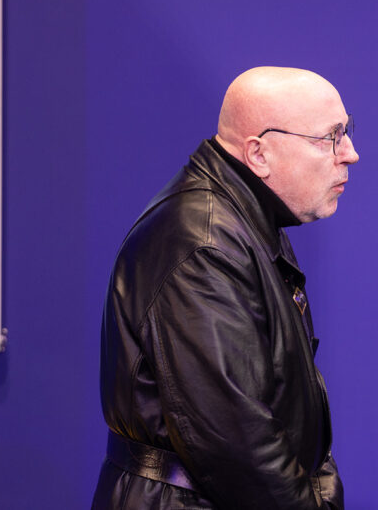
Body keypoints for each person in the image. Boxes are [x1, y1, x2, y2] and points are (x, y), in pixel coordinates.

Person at [92, 66, 357, 509]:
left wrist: (320, 483)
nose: (349, 153)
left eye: (346, 132)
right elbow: (239, 448)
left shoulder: (246, 221)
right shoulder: (204, 243)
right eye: (330, 137)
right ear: (259, 153)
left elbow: (285, 407)